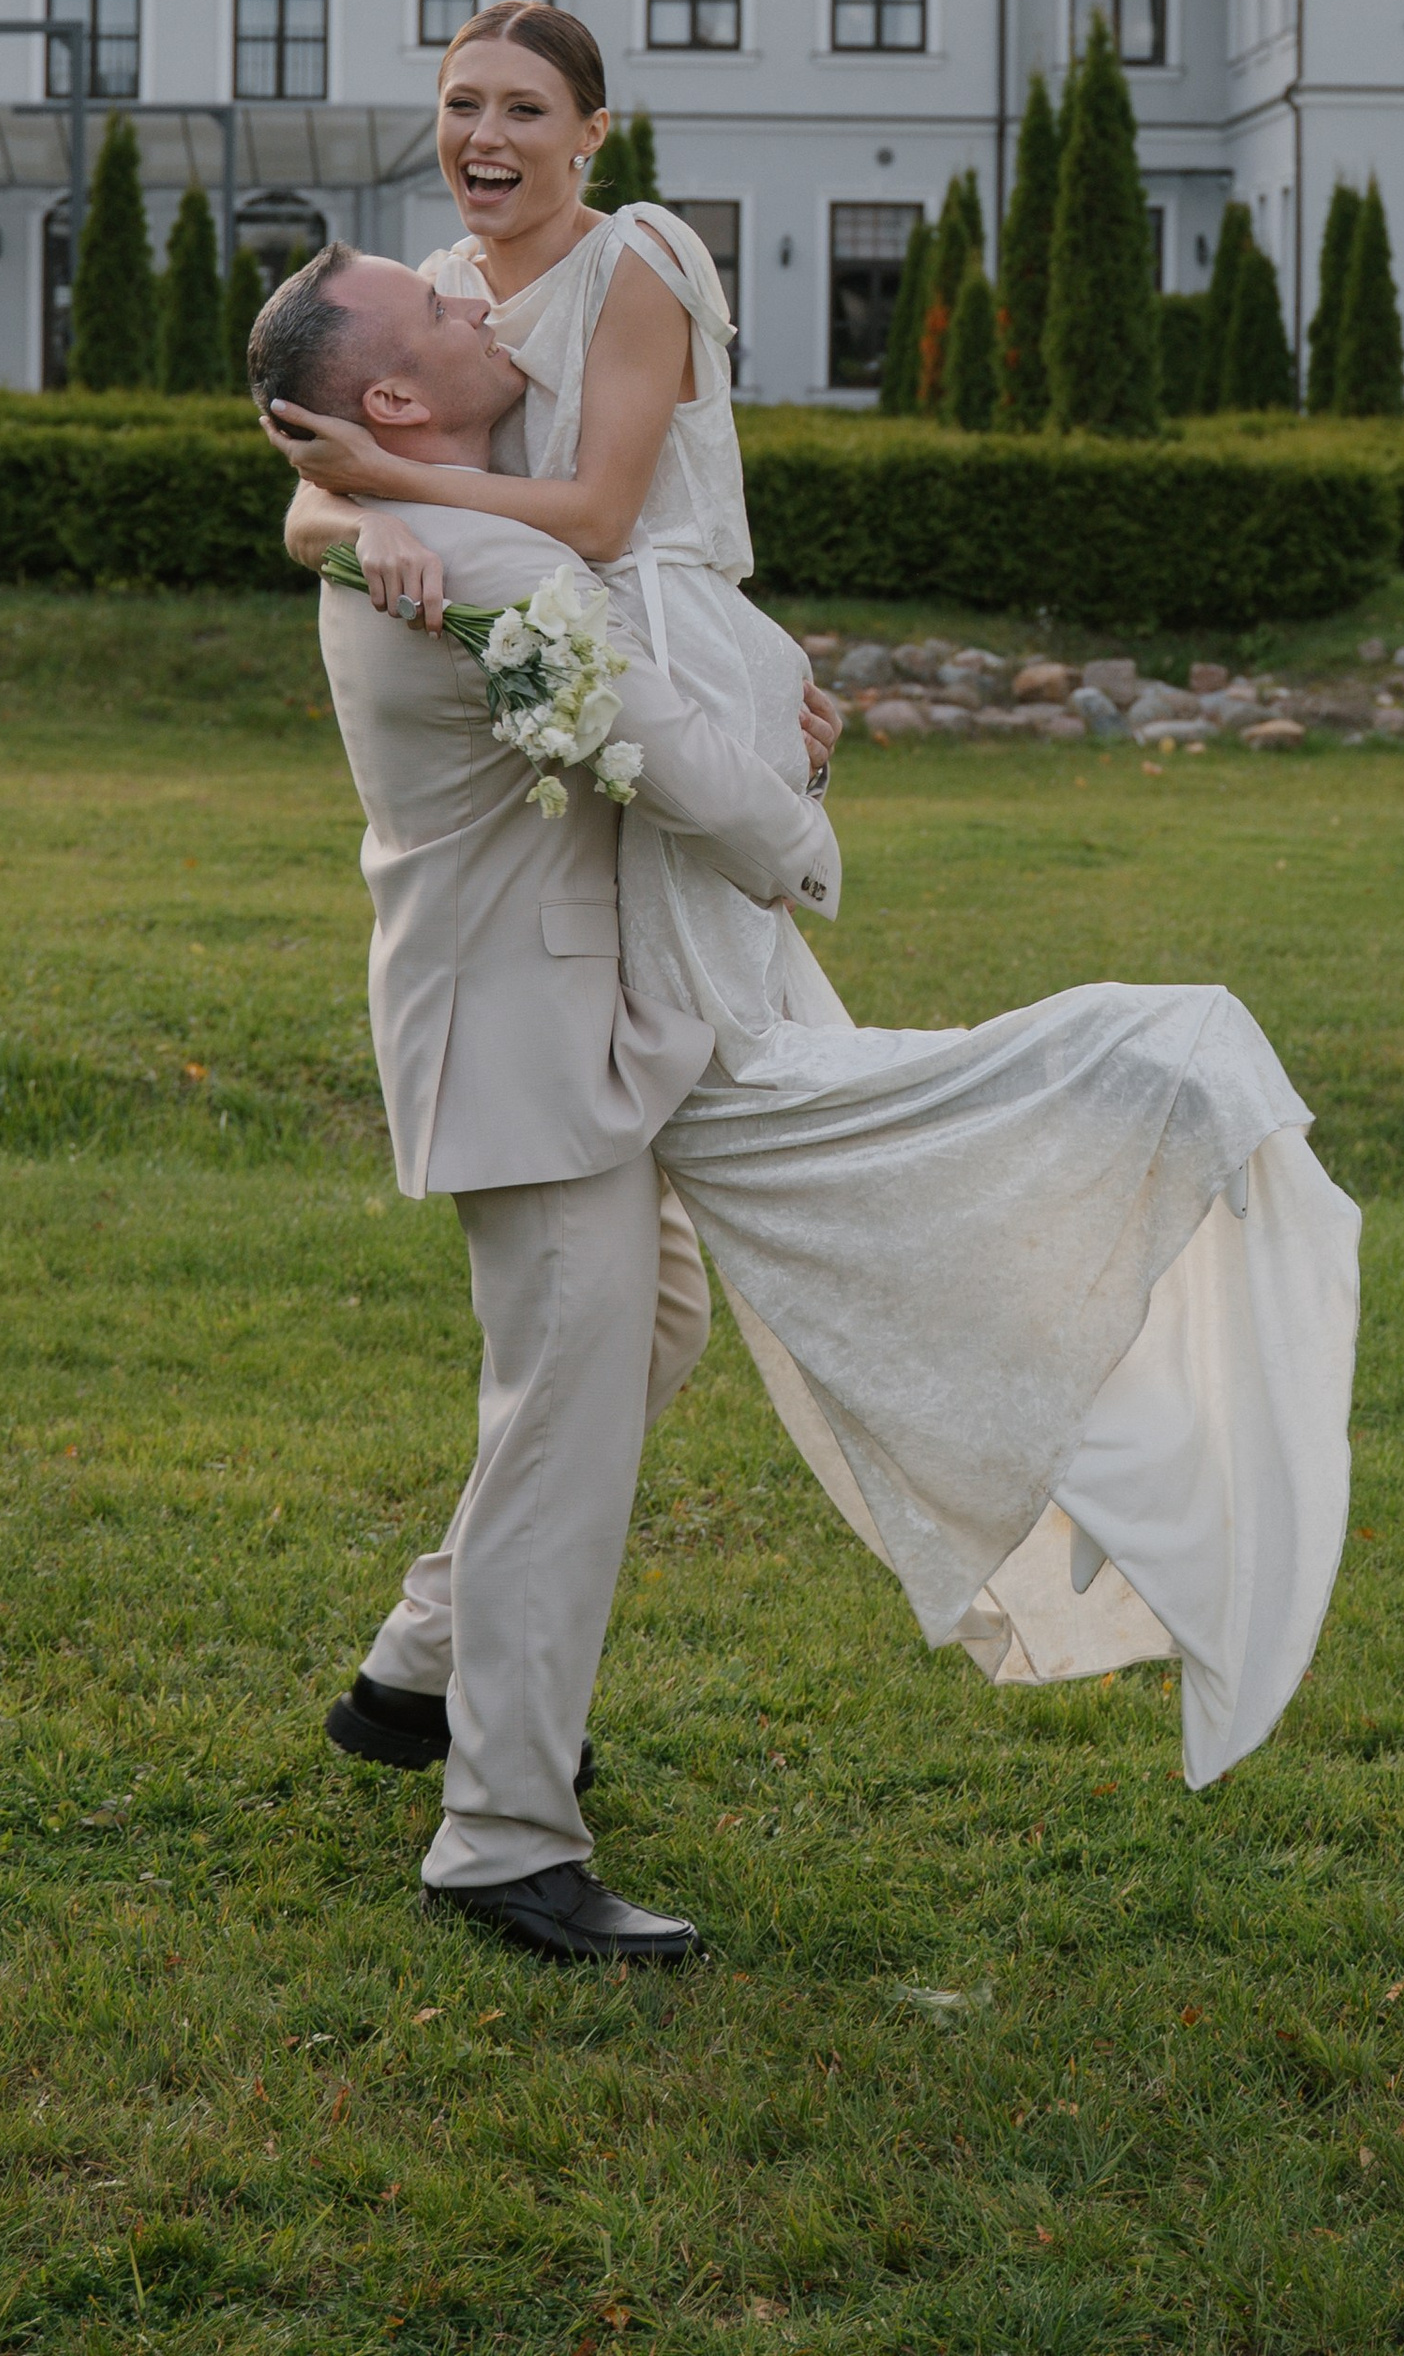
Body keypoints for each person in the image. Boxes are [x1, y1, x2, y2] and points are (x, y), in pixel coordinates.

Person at [269, 6, 1362, 1806]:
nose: (484, 134)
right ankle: (494, 1793)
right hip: (592, 804)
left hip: (646, 648)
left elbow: (603, 509)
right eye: (461, 102)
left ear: (593, 133)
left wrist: (390, 495)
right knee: (594, 1351)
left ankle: (423, 1668)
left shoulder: (624, 270)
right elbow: (327, 436)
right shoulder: (428, 321)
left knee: (657, 1316)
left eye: (523, 106)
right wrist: (345, 511)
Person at [249, 252, 841, 1965]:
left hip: (562, 1025)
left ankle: (417, 1673)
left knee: (645, 1333)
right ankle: (503, 1838)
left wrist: (342, 504)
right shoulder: (490, 562)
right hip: (517, 1039)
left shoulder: (437, 521)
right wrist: (803, 808)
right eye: (442, 322)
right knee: (564, 1426)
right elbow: (653, 753)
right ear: (394, 408)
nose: (482, 313)